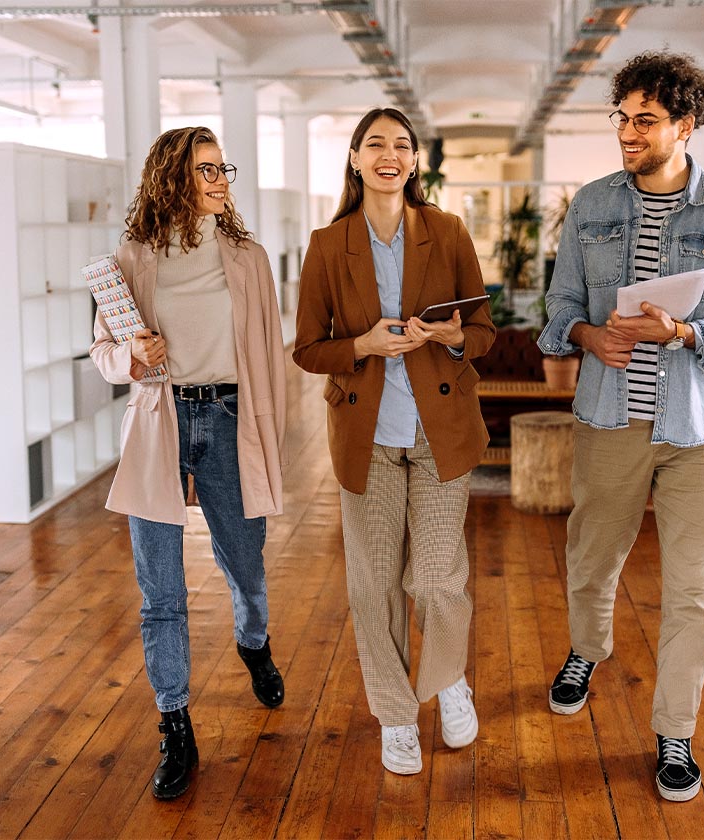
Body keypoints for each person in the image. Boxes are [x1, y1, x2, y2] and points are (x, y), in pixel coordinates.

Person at [538, 51, 704, 802]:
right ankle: (587, 650)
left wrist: (683, 333)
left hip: (697, 430)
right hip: (609, 418)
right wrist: (585, 338)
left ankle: (675, 733)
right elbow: (559, 308)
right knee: (592, 559)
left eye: (646, 121)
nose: (628, 134)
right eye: (622, 119)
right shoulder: (593, 205)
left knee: (693, 589)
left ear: (685, 125)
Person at [293, 107, 495, 775]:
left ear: (415, 161)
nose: (389, 154)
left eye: (402, 145)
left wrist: (448, 335)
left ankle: (448, 682)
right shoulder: (328, 244)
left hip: (440, 434)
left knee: (437, 578)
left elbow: (484, 330)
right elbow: (308, 350)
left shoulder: (449, 231)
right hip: (368, 438)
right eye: (375, 143)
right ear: (354, 159)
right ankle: (396, 716)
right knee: (373, 586)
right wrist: (362, 345)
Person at [90, 126, 288, 800]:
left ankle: (253, 641)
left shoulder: (248, 257)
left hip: (232, 421)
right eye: (207, 170)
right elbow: (104, 351)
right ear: (172, 177)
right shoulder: (131, 259)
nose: (221, 180)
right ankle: (175, 724)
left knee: (246, 566)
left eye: (222, 168)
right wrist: (131, 357)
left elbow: (267, 350)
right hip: (160, 421)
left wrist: (274, 433)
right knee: (161, 595)